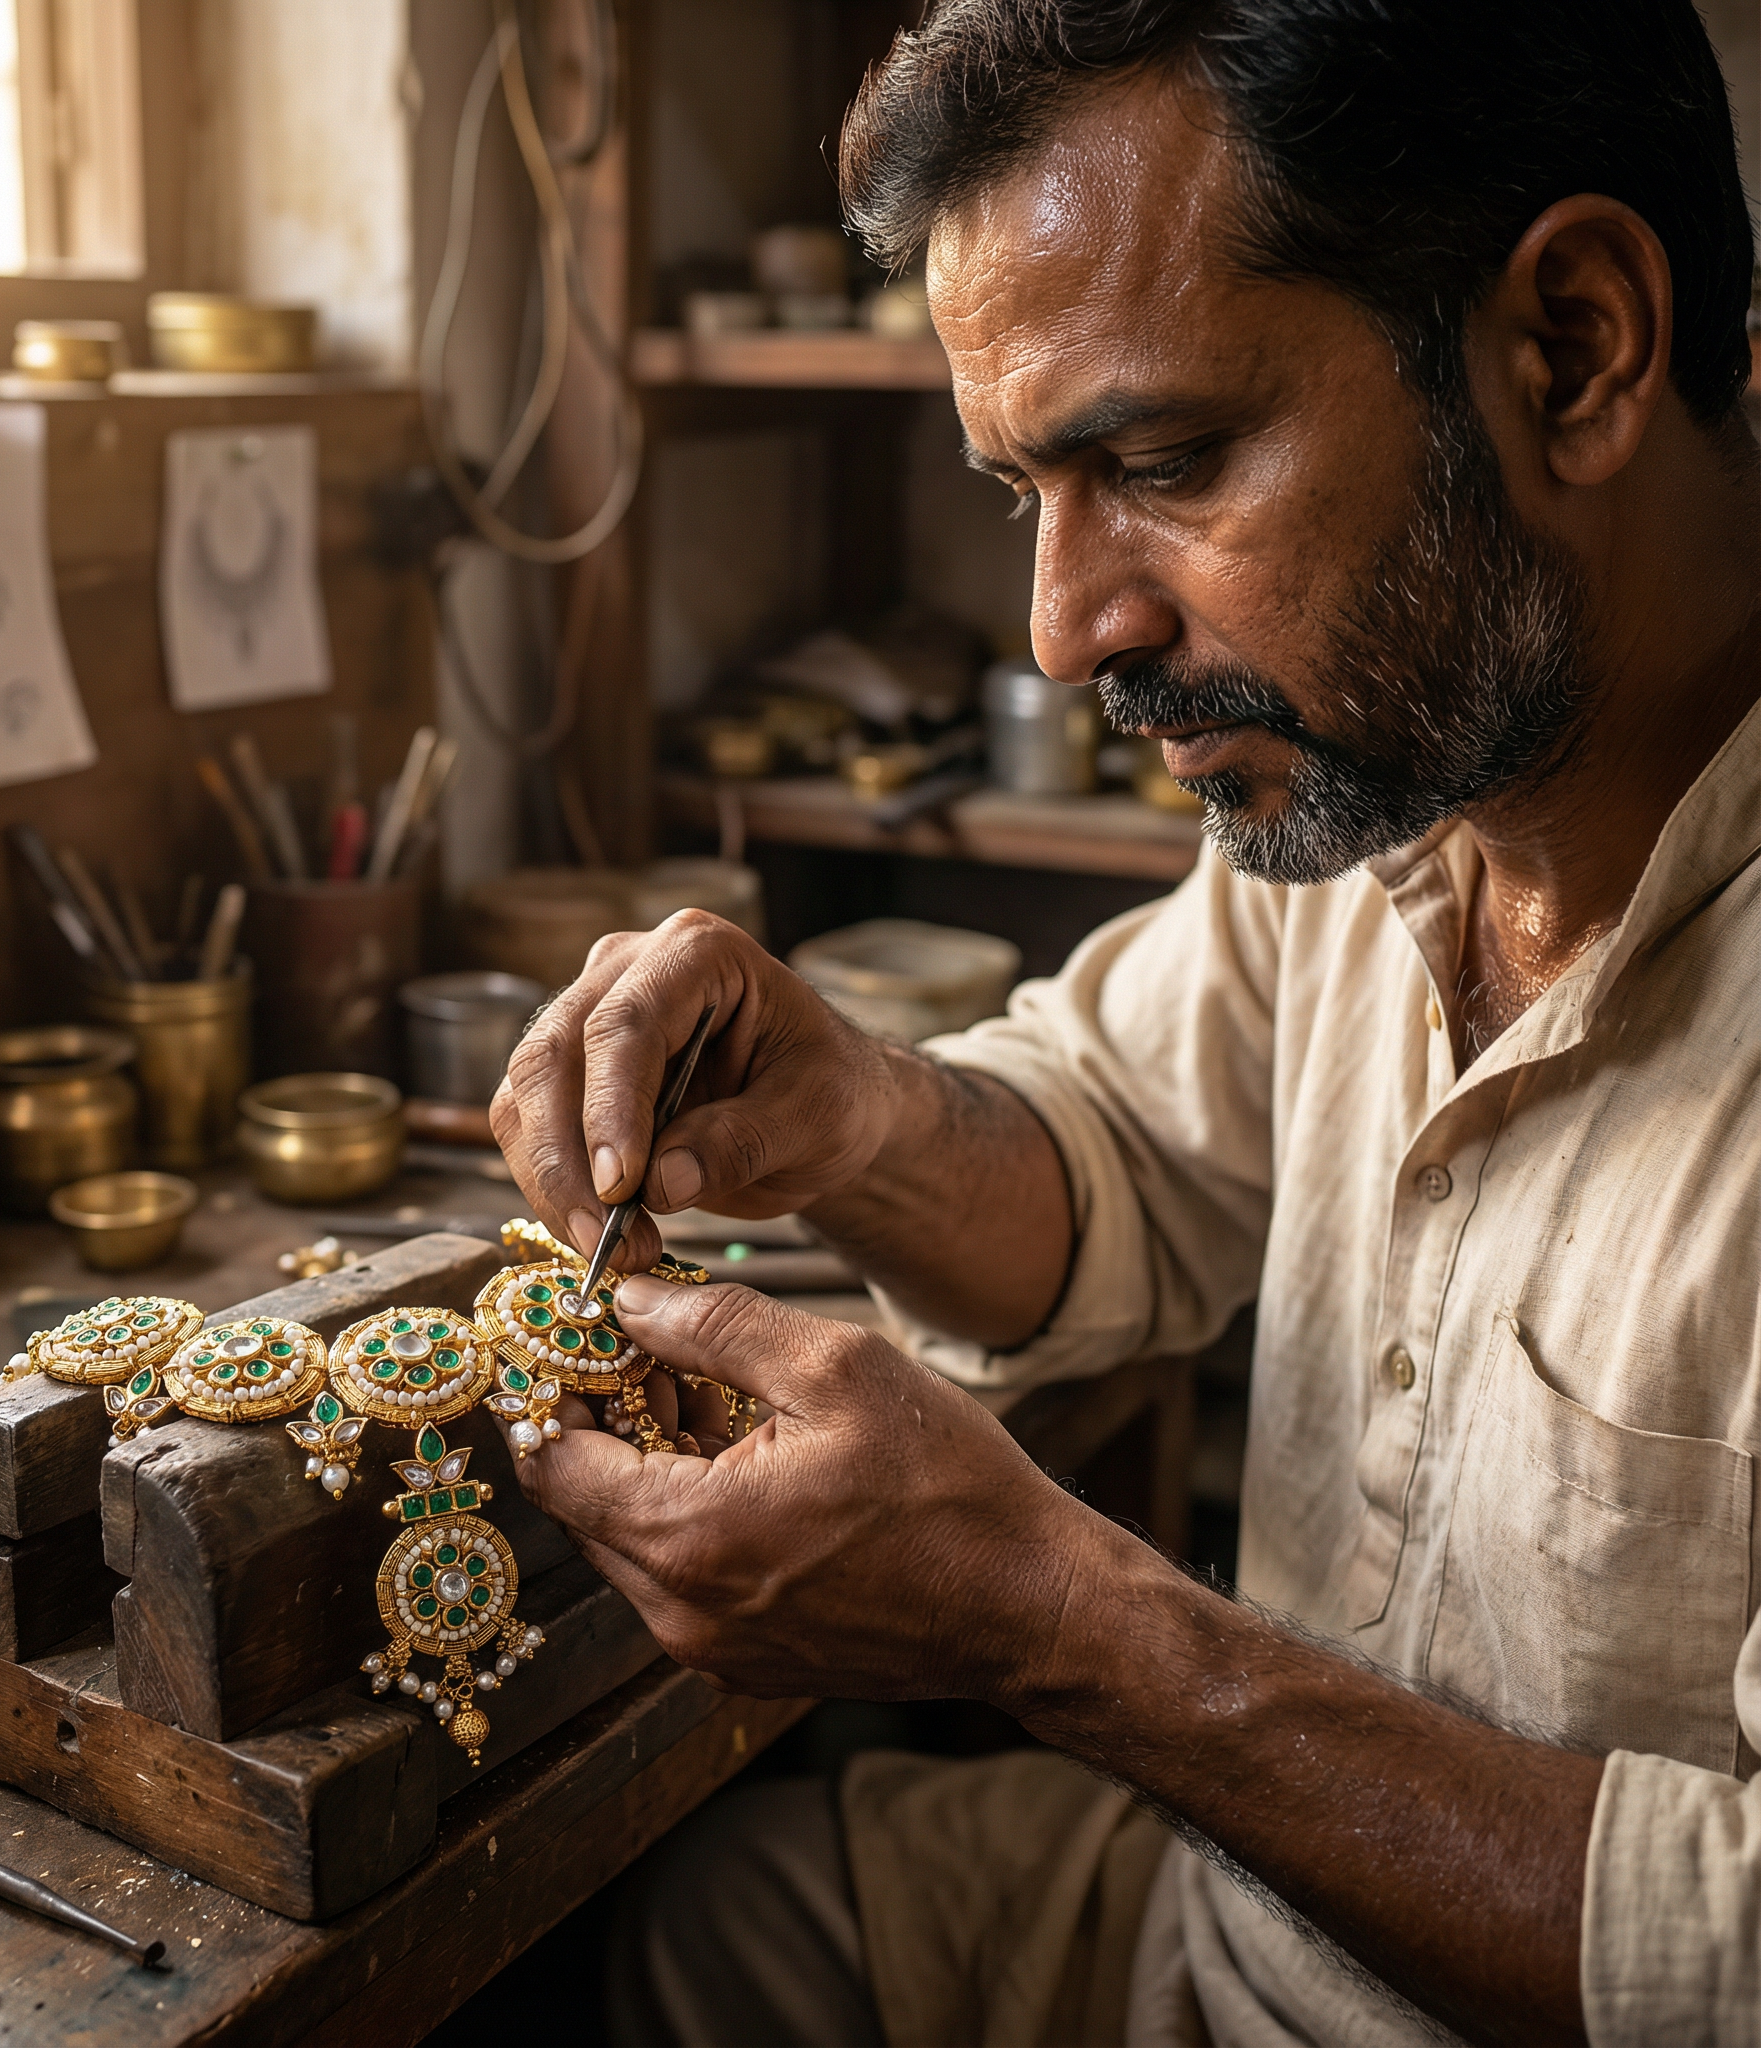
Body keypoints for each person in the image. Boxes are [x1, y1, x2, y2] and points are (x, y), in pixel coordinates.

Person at [491, 2, 1761, 2042]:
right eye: (1026, 495)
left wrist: (1062, 1625)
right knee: (712, 1928)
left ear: (1575, 347)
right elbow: (1117, 1155)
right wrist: (859, 1116)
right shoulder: (1392, 775)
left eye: (1160, 462)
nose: (1067, 626)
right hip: (1226, 1934)